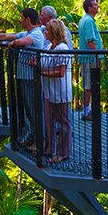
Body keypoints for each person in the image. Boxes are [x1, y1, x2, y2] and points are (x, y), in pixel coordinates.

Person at [0, 8, 44, 145]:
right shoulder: (25, 33)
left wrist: (13, 44)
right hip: (24, 77)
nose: (20, 20)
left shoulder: (36, 34)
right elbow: (3, 37)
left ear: (28, 20)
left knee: (34, 110)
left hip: (31, 78)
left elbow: (22, 42)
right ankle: (33, 137)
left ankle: (39, 141)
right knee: (28, 110)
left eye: (22, 17)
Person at [39, 19, 73, 164]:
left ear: (54, 32)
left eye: (47, 30)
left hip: (60, 92)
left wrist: (40, 71)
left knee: (64, 123)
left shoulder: (62, 48)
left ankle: (62, 153)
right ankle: (48, 149)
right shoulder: (50, 46)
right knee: (49, 122)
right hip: (49, 92)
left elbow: (60, 72)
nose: (45, 32)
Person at [77, 0, 103, 121]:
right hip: (90, 58)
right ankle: (87, 112)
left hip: (88, 57)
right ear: (89, 8)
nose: (98, 6)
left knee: (89, 85)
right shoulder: (88, 21)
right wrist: (97, 56)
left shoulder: (86, 20)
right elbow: (90, 41)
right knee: (89, 85)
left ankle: (89, 110)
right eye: (95, 5)